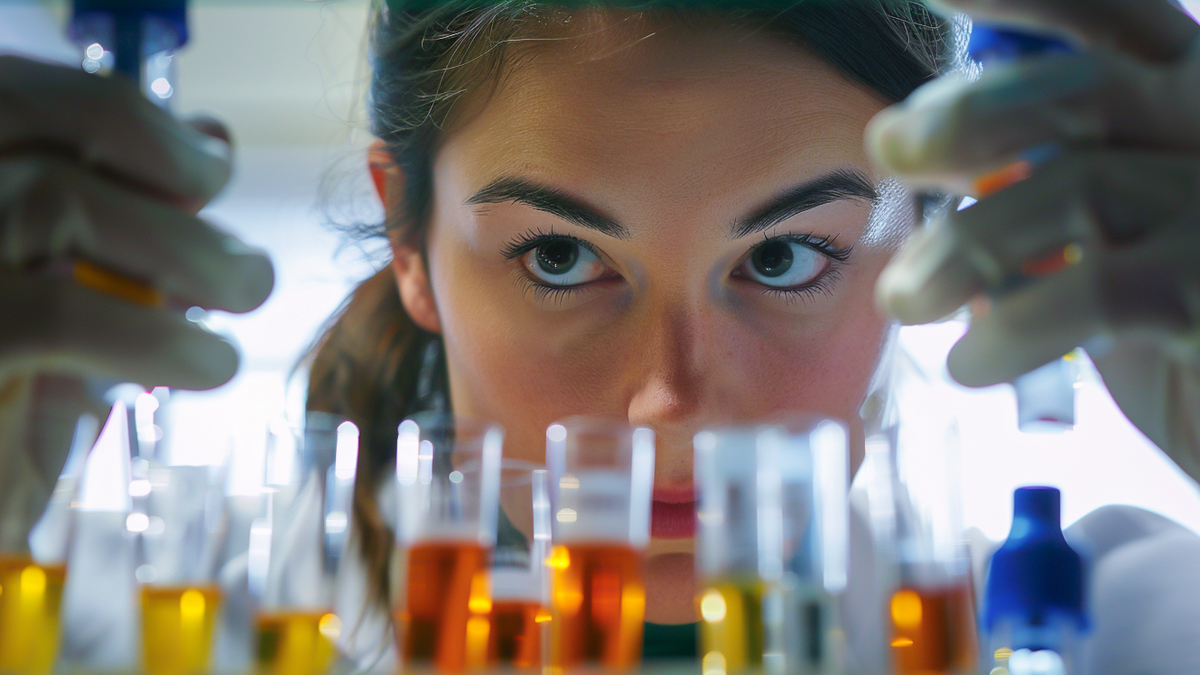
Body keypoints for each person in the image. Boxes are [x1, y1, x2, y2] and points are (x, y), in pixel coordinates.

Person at [0, 0, 1197, 673]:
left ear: (932, 233)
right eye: (561, 258)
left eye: (783, 259)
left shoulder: (1124, 633)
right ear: (406, 241)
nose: (669, 400)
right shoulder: (118, 638)